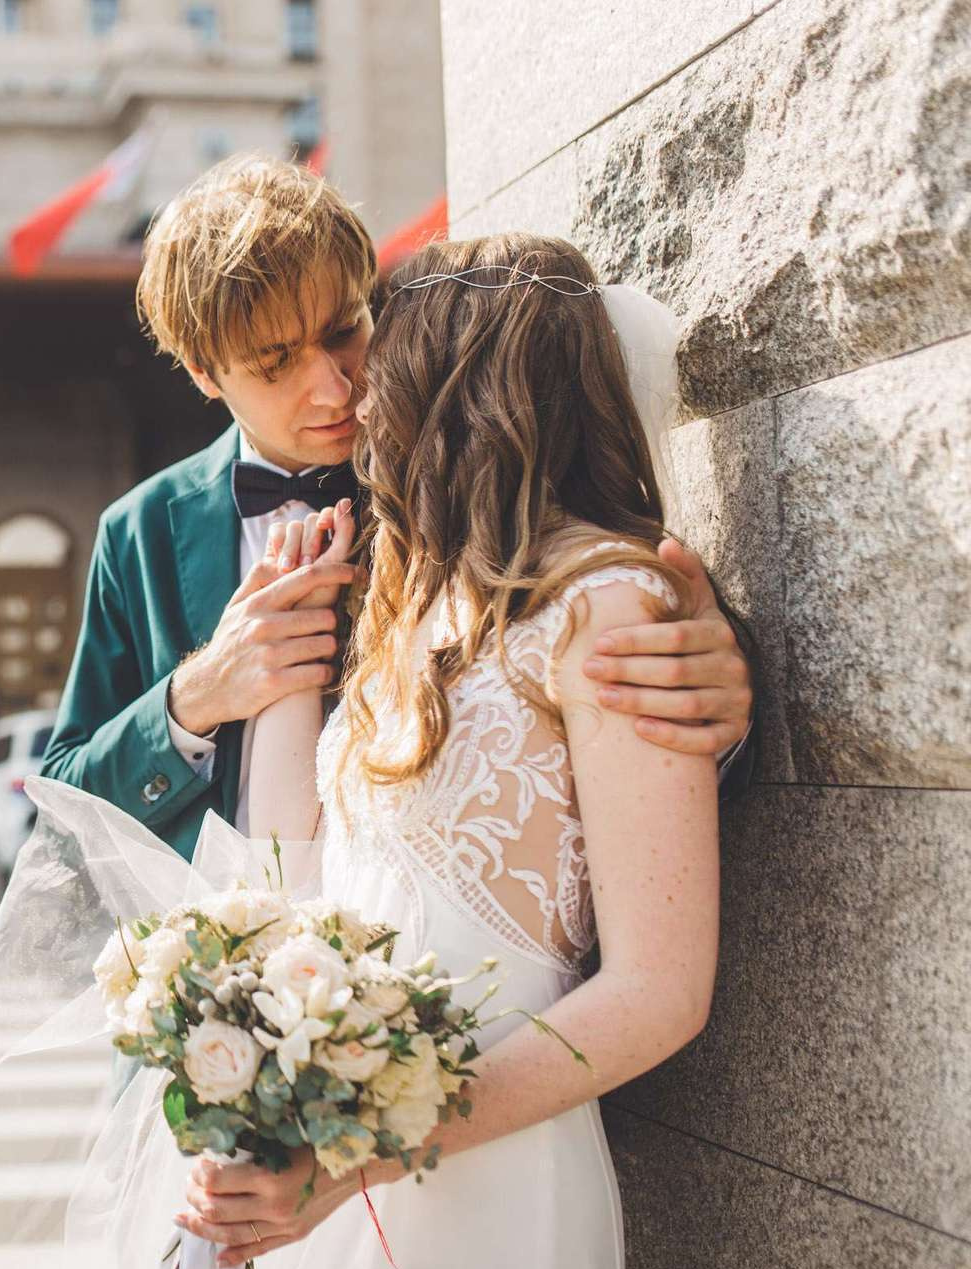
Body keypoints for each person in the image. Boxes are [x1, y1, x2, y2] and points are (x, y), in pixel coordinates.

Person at [170, 235, 721, 1269]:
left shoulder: (608, 604)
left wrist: (370, 1152)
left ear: (465, 381)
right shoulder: (414, 601)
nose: (356, 394)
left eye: (384, 356)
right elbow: (304, 871)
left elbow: (658, 990)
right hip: (334, 1176)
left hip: (488, 1170)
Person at [39, 155, 756, 861]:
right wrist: (195, 696)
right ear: (203, 373)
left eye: (344, 331)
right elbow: (65, 798)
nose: (333, 389)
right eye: (275, 363)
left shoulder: (465, 469)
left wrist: (716, 698)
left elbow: (602, 636)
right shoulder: (138, 530)